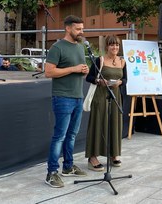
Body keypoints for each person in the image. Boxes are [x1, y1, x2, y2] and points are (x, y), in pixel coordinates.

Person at [44, 15, 89, 188]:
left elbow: (80, 70)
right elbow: (49, 72)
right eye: (78, 29)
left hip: (78, 96)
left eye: (82, 29)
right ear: (68, 28)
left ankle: (68, 167)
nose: (81, 32)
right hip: (62, 97)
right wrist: (73, 69)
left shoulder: (79, 47)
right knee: (60, 136)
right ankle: (52, 172)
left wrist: (84, 70)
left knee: (72, 135)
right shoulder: (57, 47)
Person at [85, 35, 126, 172]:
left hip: (115, 96)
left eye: (117, 45)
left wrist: (120, 82)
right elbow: (89, 77)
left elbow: (125, 79)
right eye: (112, 45)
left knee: (115, 123)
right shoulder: (100, 60)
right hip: (100, 96)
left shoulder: (122, 61)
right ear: (106, 46)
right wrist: (99, 81)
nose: (115, 47)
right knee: (98, 124)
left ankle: (113, 154)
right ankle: (92, 157)